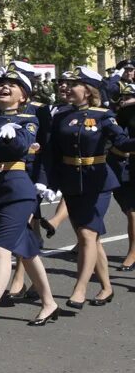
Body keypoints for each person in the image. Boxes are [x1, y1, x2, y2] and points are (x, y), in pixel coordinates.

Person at [0, 68, 60, 329]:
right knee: (27, 251)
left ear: (23, 96)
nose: (5, 87)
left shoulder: (29, 119)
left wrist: (15, 134)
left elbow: (25, 145)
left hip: (17, 191)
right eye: (2, 83)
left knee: (0, 248)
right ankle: (49, 303)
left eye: (13, 85)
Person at [44, 66, 133, 308]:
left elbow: (122, 142)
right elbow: (54, 152)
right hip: (71, 182)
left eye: (75, 84)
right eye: (68, 84)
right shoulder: (61, 116)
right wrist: (50, 183)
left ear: (88, 90)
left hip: (98, 182)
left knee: (86, 235)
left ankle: (79, 288)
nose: (68, 88)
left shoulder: (104, 115)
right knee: (91, 240)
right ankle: (106, 287)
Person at [112, 81, 135, 271]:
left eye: (129, 97)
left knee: (133, 211)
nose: (124, 101)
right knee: (128, 209)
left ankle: (133, 252)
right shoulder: (120, 115)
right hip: (122, 168)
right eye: (123, 98)